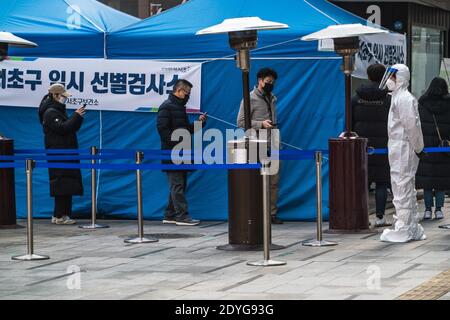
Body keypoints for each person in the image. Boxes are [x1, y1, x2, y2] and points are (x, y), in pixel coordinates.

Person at [379, 64, 426, 243]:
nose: (389, 81)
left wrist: (418, 147)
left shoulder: (404, 99)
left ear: (400, 78)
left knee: (402, 186)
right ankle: (410, 226)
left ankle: (405, 228)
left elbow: (412, 126)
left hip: (403, 147)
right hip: (400, 146)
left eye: (392, 77)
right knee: (404, 185)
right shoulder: (399, 98)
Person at [157, 79, 207, 226]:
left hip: (182, 153)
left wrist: (200, 123)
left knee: (180, 185)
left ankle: (170, 214)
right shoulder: (166, 107)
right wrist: (177, 145)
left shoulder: (179, 107)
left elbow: (186, 130)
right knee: (177, 185)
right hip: (172, 153)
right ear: (179, 91)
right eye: (187, 93)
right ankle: (182, 216)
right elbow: (162, 131)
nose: (188, 96)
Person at [237, 67, 283, 224]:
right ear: (260, 81)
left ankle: (271, 214)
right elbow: (241, 122)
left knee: (274, 182)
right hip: (256, 145)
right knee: (256, 181)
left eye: (272, 82)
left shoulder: (273, 98)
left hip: (274, 144)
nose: (270, 84)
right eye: (268, 81)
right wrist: (261, 124)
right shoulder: (249, 99)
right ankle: (256, 213)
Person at [38, 83, 86, 225]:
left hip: (65, 151)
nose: (65, 99)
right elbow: (62, 128)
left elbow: (70, 129)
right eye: (63, 96)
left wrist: (77, 117)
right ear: (56, 95)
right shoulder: (50, 112)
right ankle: (58, 215)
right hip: (59, 152)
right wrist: (76, 116)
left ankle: (64, 214)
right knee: (60, 183)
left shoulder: (57, 111)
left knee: (67, 183)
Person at [352, 64, 391, 227]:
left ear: (368, 76)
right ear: (384, 77)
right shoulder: (388, 99)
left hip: (362, 146)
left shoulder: (356, 98)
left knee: (362, 182)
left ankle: (361, 217)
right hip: (383, 145)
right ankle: (380, 217)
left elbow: (350, 123)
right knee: (382, 182)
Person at [416, 77, 450, 220]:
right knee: (440, 181)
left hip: (427, 146)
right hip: (444, 147)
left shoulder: (422, 103)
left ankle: (428, 210)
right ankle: (439, 210)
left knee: (428, 181)